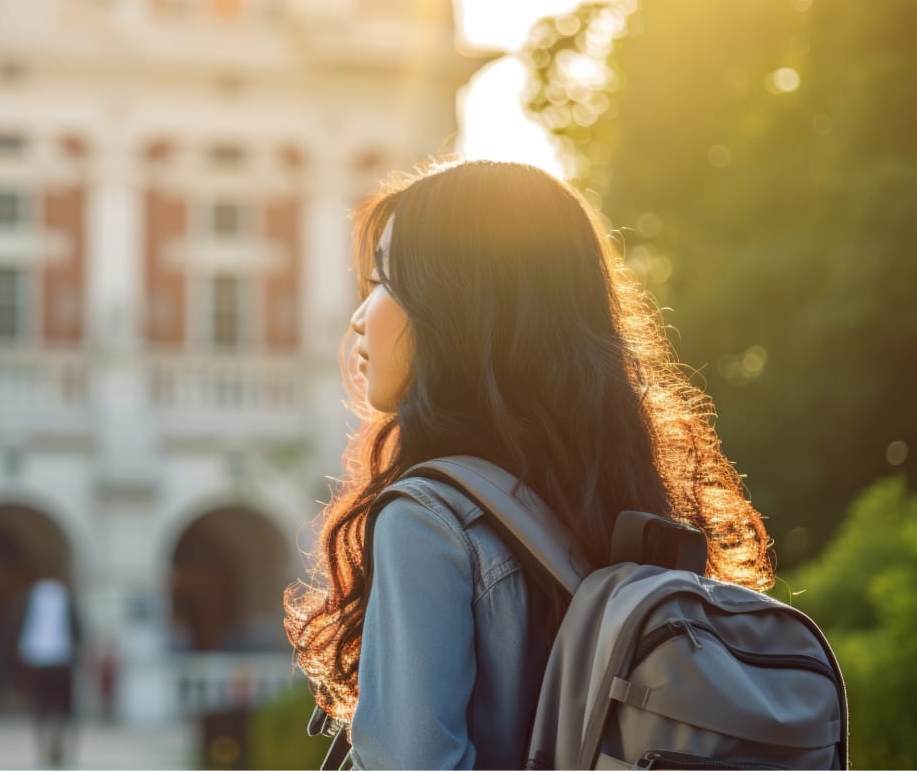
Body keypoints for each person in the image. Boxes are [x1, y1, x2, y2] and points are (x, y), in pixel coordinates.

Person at [283, 160, 774, 769]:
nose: (360, 316)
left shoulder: (429, 520)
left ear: (458, 308)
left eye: (384, 280)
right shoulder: (621, 496)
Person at [18, 576, 83, 768]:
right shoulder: (33, 600)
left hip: (53, 660)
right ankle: (48, 746)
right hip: (45, 659)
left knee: (54, 707)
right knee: (47, 707)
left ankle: (54, 745)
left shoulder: (33, 600)